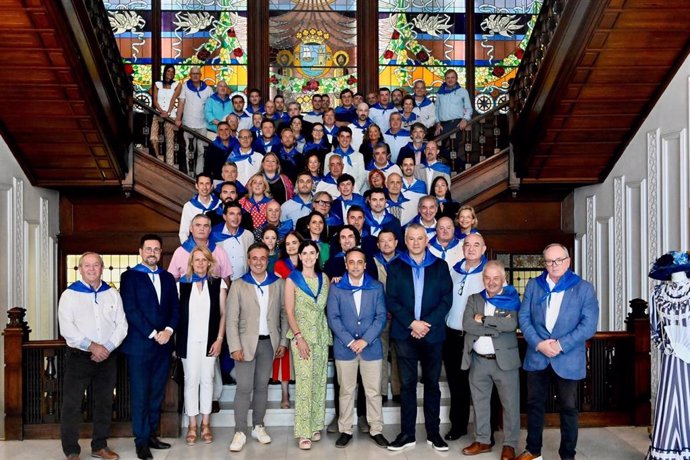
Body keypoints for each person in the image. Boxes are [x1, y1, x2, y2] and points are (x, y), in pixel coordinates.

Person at [516, 244, 599, 460]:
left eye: (558, 260)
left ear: (568, 261)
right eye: (549, 261)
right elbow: (524, 318)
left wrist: (560, 345)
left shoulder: (584, 288)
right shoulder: (534, 285)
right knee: (534, 405)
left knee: (569, 409)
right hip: (537, 356)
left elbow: (589, 325)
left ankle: (567, 454)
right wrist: (539, 344)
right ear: (544, 263)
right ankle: (533, 451)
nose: (554, 265)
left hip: (568, 357)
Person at [386, 224, 453, 452]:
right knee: (407, 385)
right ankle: (407, 434)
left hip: (432, 335)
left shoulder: (440, 266)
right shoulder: (395, 266)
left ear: (427, 240)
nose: (416, 242)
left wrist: (425, 325)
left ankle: (434, 434)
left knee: (432, 384)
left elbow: (446, 300)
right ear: (405, 241)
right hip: (405, 334)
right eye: (411, 238)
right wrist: (412, 323)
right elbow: (392, 300)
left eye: (420, 238)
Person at [58, 252, 128, 460]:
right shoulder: (69, 295)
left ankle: (100, 445)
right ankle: (71, 450)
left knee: (104, 402)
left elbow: (122, 325)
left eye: (95, 265)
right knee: (72, 404)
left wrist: (106, 347)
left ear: (102, 268)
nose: (91, 269)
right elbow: (67, 329)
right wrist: (92, 346)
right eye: (87, 265)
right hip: (79, 357)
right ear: (80, 269)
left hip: (107, 357)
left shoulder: (112, 294)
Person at [120, 235, 179, 460]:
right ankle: (141, 441)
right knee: (140, 393)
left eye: (156, 249)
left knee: (156, 393)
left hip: (164, 346)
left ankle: (152, 434)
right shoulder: (130, 277)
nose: (152, 252)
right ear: (141, 251)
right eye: (148, 249)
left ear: (161, 252)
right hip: (140, 345)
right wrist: (154, 333)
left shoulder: (167, 278)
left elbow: (175, 307)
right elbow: (131, 309)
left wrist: (169, 331)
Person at [227, 243, 289, 452]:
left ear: (267, 259)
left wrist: (282, 342)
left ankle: (258, 426)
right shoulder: (238, 285)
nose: (259, 262)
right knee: (244, 388)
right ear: (248, 260)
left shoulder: (277, 284)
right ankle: (240, 431)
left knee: (262, 387)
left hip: (268, 344)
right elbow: (231, 319)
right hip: (245, 345)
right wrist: (234, 345)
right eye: (254, 258)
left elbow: (284, 314)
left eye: (263, 258)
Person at [326, 248, 389, 449]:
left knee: (373, 391)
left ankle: (376, 429)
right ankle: (345, 429)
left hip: (371, 348)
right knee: (345, 390)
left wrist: (365, 340)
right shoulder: (336, 288)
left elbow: (381, 317)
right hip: (345, 349)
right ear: (346, 264)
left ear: (364, 264)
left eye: (359, 262)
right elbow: (333, 317)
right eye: (351, 262)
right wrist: (350, 341)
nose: (355, 266)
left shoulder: (376, 287)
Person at [461, 260, 521, 460]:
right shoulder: (474, 299)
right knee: (479, 403)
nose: (491, 282)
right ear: (483, 279)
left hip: (505, 361)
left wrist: (485, 320)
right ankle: (483, 440)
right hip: (478, 361)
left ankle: (510, 444)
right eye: (487, 278)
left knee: (510, 404)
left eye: (496, 278)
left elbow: (511, 324)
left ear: (503, 279)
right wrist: (495, 328)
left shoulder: (511, 299)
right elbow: (468, 324)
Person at [176, 246, 227, 446]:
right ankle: (192, 425)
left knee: (208, 380)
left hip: (210, 340)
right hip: (187, 340)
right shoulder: (181, 285)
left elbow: (223, 314)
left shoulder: (218, 283)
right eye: (196, 260)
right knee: (191, 381)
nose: (200, 263)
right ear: (191, 263)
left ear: (209, 262)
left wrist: (220, 339)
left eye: (203, 260)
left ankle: (206, 424)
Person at [284, 240, 332, 449]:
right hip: (301, 337)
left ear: (317, 256)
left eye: (313, 253)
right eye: (305, 253)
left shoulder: (325, 278)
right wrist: (298, 336)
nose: (309, 256)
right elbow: (289, 311)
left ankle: (314, 425)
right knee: (304, 384)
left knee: (319, 382)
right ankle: (303, 432)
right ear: (300, 256)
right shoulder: (292, 279)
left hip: (321, 336)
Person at [647, 251, 690, 460]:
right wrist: (667, 346)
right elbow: (655, 328)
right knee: (669, 398)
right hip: (671, 357)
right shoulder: (658, 293)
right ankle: (666, 448)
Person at [445, 232, 487, 440]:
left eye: (476, 245)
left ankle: (484, 432)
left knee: (479, 384)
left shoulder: (489, 272)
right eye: (467, 245)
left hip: (476, 336)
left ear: (484, 249)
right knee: (456, 383)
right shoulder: (455, 271)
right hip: (452, 335)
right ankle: (458, 426)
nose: (471, 248)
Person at [272, 231, 304, 408]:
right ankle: (285, 393)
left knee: (302, 353)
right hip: (285, 311)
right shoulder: (279, 264)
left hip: (305, 313)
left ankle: (302, 392)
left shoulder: (307, 261)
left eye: (295, 242)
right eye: (288, 244)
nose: (291, 246)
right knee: (284, 352)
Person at [169, 213, 232, 282]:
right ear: (191, 228)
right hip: (186, 291)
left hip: (214, 291)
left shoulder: (220, 251)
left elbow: (226, 280)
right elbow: (172, 281)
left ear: (210, 230)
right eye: (198, 225)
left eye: (206, 226)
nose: (202, 228)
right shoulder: (180, 252)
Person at [177, 66, 212, 174]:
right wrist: (178, 119)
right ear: (190, 75)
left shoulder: (208, 89)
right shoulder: (185, 87)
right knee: (190, 150)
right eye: (193, 74)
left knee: (201, 151)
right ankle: (190, 173)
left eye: (197, 74)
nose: (195, 75)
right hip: (188, 124)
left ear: (201, 75)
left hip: (203, 125)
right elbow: (181, 103)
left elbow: (211, 106)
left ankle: (199, 174)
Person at [212, 201, 254, 280]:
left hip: (242, 282)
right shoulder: (215, 236)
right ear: (224, 216)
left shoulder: (248, 235)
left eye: (239, 214)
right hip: (221, 283)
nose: (236, 217)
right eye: (232, 214)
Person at [150, 64, 182, 166]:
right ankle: (160, 159)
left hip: (170, 115)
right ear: (164, 72)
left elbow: (173, 99)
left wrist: (167, 112)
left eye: (172, 72)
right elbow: (155, 100)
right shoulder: (157, 84)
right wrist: (161, 111)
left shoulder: (177, 84)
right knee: (153, 138)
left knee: (170, 142)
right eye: (168, 71)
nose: (170, 73)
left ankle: (170, 165)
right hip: (158, 114)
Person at [178, 173, 221, 244]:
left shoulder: (219, 204)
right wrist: (190, 250)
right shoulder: (189, 206)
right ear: (196, 186)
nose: (204, 187)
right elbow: (183, 232)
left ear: (212, 186)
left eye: (207, 184)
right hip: (196, 247)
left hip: (217, 246)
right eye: (201, 183)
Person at [325, 127, 367, 194]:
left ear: (351, 139)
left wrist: (351, 190)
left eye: (347, 137)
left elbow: (361, 176)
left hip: (354, 192)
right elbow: (327, 175)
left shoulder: (359, 156)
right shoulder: (329, 156)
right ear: (338, 138)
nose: (345, 139)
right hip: (333, 192)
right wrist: (335, 191)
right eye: (342, 136)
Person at [434, 69, 473, 137]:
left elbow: (469, 108)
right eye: (448, 78)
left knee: (454, 146)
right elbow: (436, 109)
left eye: (453, 77)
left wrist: (464, 119)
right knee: (438, 145)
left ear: (456, 79)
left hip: (457, 123)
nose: (450, 80)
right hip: (442, 125)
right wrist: (437, 123)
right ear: (445, 80)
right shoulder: (440, 93)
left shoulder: (463, 91)